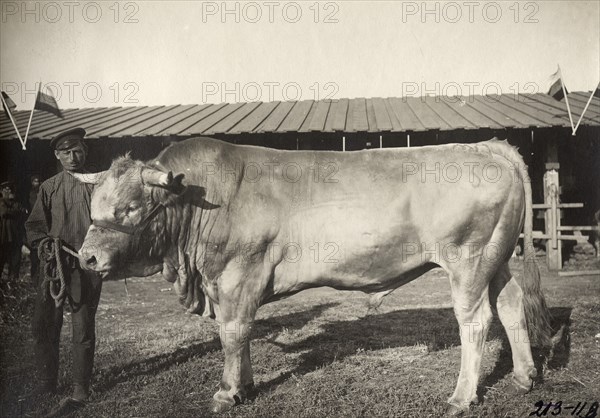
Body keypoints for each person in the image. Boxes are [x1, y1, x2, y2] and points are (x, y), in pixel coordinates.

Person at [25, 128, 102, 412]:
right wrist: (44, 243)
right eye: (66, 152)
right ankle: (47, 382)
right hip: (53, 268)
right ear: (57, 156)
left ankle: (81, 388)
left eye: (78, 151)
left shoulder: (97, 186)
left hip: (85, 267)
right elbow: (33, 227)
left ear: (85, 152)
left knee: (82, 328)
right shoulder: (48, 187)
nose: (73, 157)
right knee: (45, 325)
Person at [0, 180, 26, 284]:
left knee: (15, 260)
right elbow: (4, 212)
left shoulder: (16, 203)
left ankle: (13, 282)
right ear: (1, 191)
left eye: (10, 189)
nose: (9, 190)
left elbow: (24, 213)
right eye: (6, 189)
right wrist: (18, 211)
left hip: (15, 236)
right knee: (1, 258)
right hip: (3, 237)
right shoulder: (1, 202)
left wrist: (18, 210)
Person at [28, 174, 41, 285]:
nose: (37, 183)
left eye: (38, 181)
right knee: (34, 257)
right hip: (33, 226)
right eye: (35, 181)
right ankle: (33, 279)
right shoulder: (31, 195)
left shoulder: (41, 193)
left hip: (41, 226)